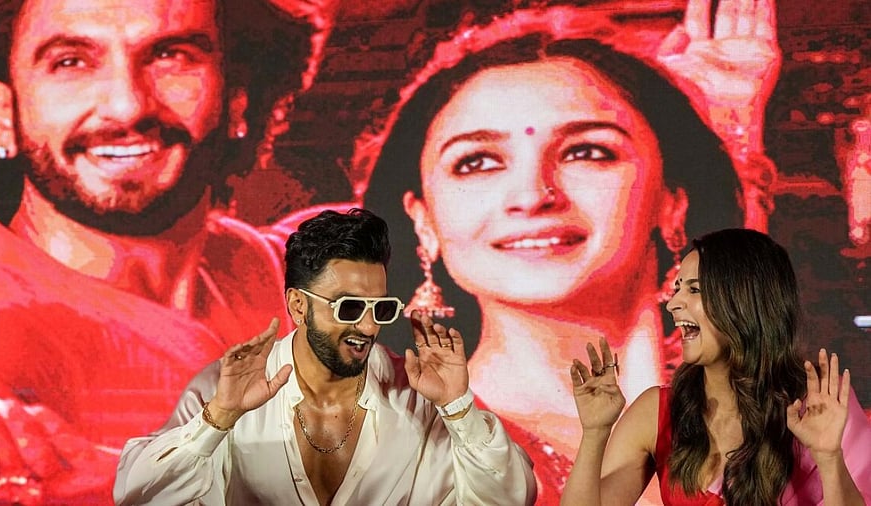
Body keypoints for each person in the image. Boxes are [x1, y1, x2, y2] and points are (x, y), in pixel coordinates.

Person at [356, 2, 779, 502]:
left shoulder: (776, 419)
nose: (533, 195)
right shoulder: (400, 448)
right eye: (477, 162)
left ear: (672, 202)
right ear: (422, 221)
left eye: (587, 152)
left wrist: (733, 140)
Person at [0, 0, 326, 502]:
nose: (127, 106)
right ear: (2, 112)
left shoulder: (277, 266)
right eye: (70, 62)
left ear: (237, 100)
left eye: (170, 56)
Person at [113, 207, 537, 505]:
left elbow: (509, 498)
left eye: (380, 309)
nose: (368, 327)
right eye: (349, 308)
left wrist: (459, 409)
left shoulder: (417, 396)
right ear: (298, 306)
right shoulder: (226, 390)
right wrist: (219, 418)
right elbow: (138, 495)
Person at [562, 228, 871, 505]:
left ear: (744, 300)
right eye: (677, 288)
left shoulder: (820, 408)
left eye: (694, 289)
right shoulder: (660, 412)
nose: (673, 303)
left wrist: (829, 458)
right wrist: (595, 432)